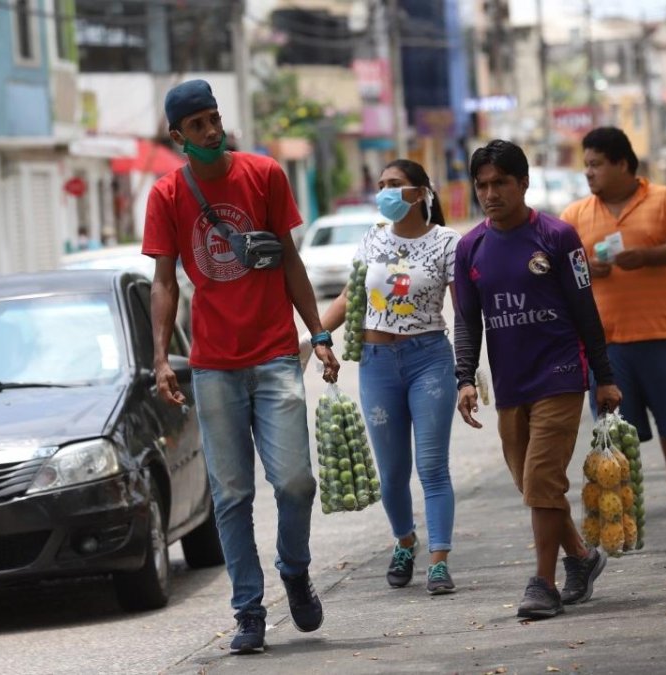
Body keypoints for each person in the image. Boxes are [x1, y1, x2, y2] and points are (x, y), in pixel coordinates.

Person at [141, 79, 338, 653]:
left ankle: (294, 569)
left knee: (296, 482)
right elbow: (163, 282)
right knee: (230, 497)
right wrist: (160, 358)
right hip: (213, 367)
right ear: (177, 136)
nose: (211, 131)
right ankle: (248, 610)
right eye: (197, 125)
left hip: (275, 354)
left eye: (214, 118)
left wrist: (318, 333)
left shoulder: (265, 174)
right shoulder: (167, 195)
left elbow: (291, 261)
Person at [454, 140, 621, 620]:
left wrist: (604, 376)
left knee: (543, 479)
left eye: (500, 183)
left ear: (523, 183)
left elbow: (585, 309)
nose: (490, 194)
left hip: (561, 374)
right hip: (511, 385)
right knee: (533, 486)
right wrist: (464, 377)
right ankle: (582, 558)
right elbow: (467, 321)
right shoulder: (470, 248)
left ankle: (543, 584)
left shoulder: (558, 236)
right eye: (482, 185)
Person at [318, 159, 461, 594]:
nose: (385, 192)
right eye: (381, 185)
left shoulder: (447, 242)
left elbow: (466, 309)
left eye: (395, 184)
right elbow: (350, 295)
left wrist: (469, 371)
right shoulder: (373, 238)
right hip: (376, 363)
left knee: (432, 466)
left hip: (429, 361)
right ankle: (405, 542)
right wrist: (317, 337)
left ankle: (439, 561)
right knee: (393, 473)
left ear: (420, 193)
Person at [560, 127, 666, 511]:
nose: (588, 172)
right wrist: (586, 267)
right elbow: (557, 266)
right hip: (605, 343)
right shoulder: (575, 214)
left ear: (622, 164)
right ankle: (622, 496)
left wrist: (647, 256)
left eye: (596, 164)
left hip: (663, 331)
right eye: (586, 165)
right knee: (614, 427)